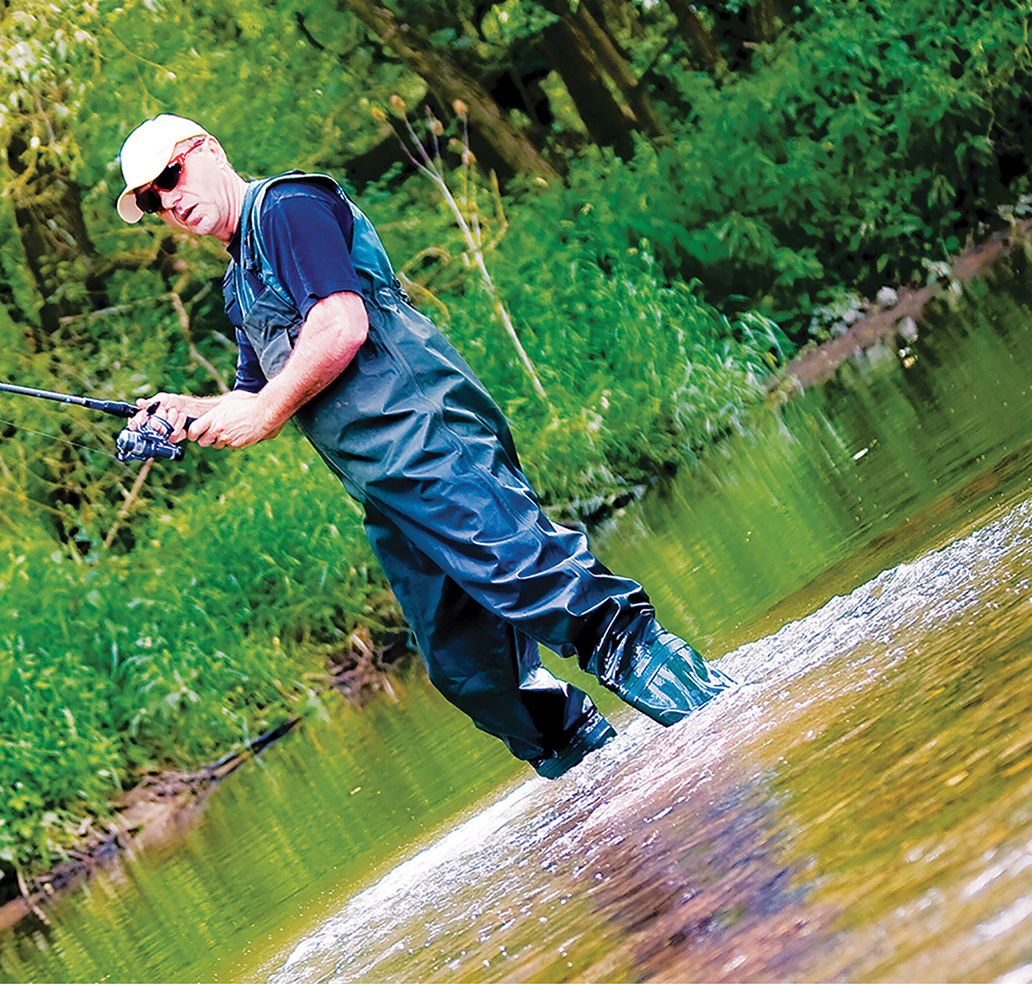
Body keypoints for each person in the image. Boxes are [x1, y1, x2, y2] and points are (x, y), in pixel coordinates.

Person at [115, 113, 734, 779]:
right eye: (151, 199)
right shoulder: (239, 282)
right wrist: (185, 413)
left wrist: (266, 409)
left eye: (170, 177)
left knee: (539, 582)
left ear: (209, 148)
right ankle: (601, 783)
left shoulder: (289, 208)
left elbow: (341, 323)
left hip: (431, 438)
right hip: (384, 490)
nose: (168, 201)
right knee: (469, 669)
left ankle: (728, 721)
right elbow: (249, 394)